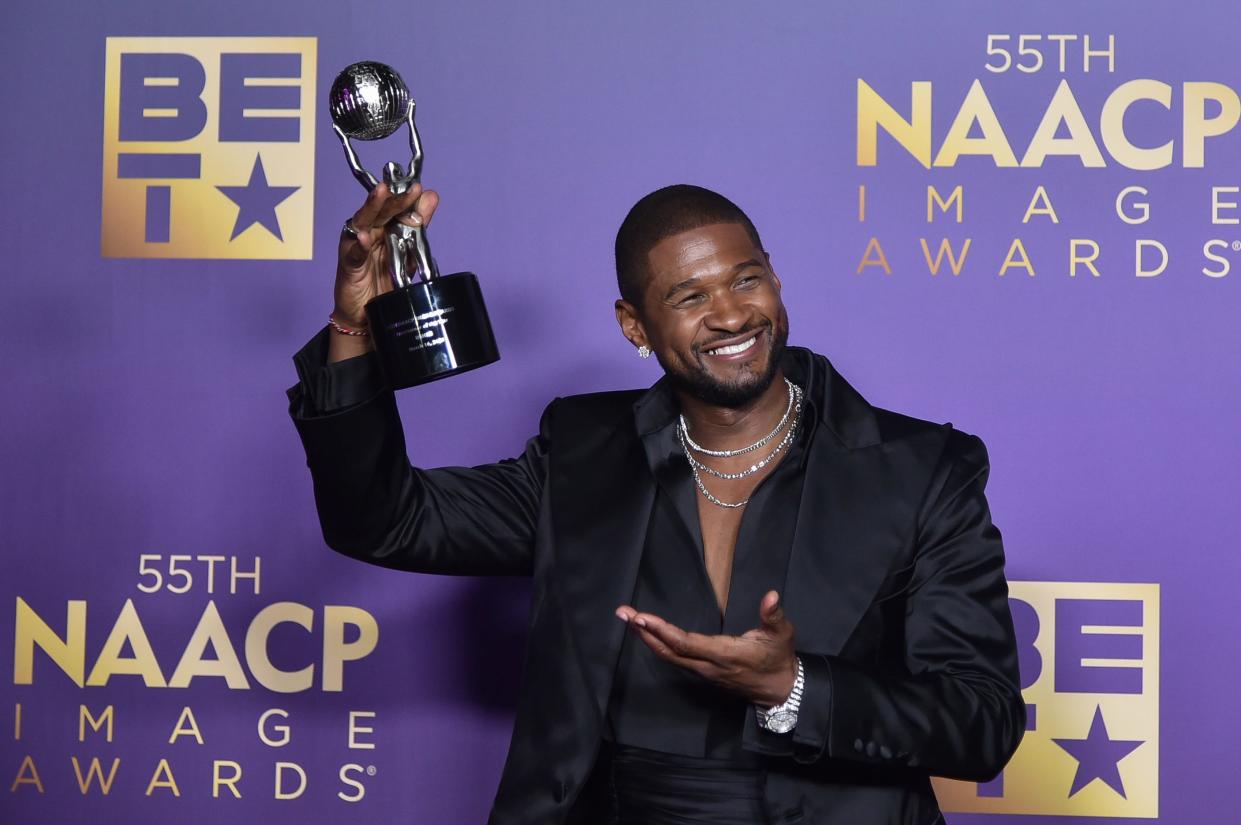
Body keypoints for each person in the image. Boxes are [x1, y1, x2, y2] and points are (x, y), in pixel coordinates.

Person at [288, 183, 1025, 824]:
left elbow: (981, 724)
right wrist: (354, 324)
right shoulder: (581, 452)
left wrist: (792, 687)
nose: (733, 315)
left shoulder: (924, 469)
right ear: (633, 325)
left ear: (776, 279)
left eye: (747, 280)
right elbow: (384, 521)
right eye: (690, 296)